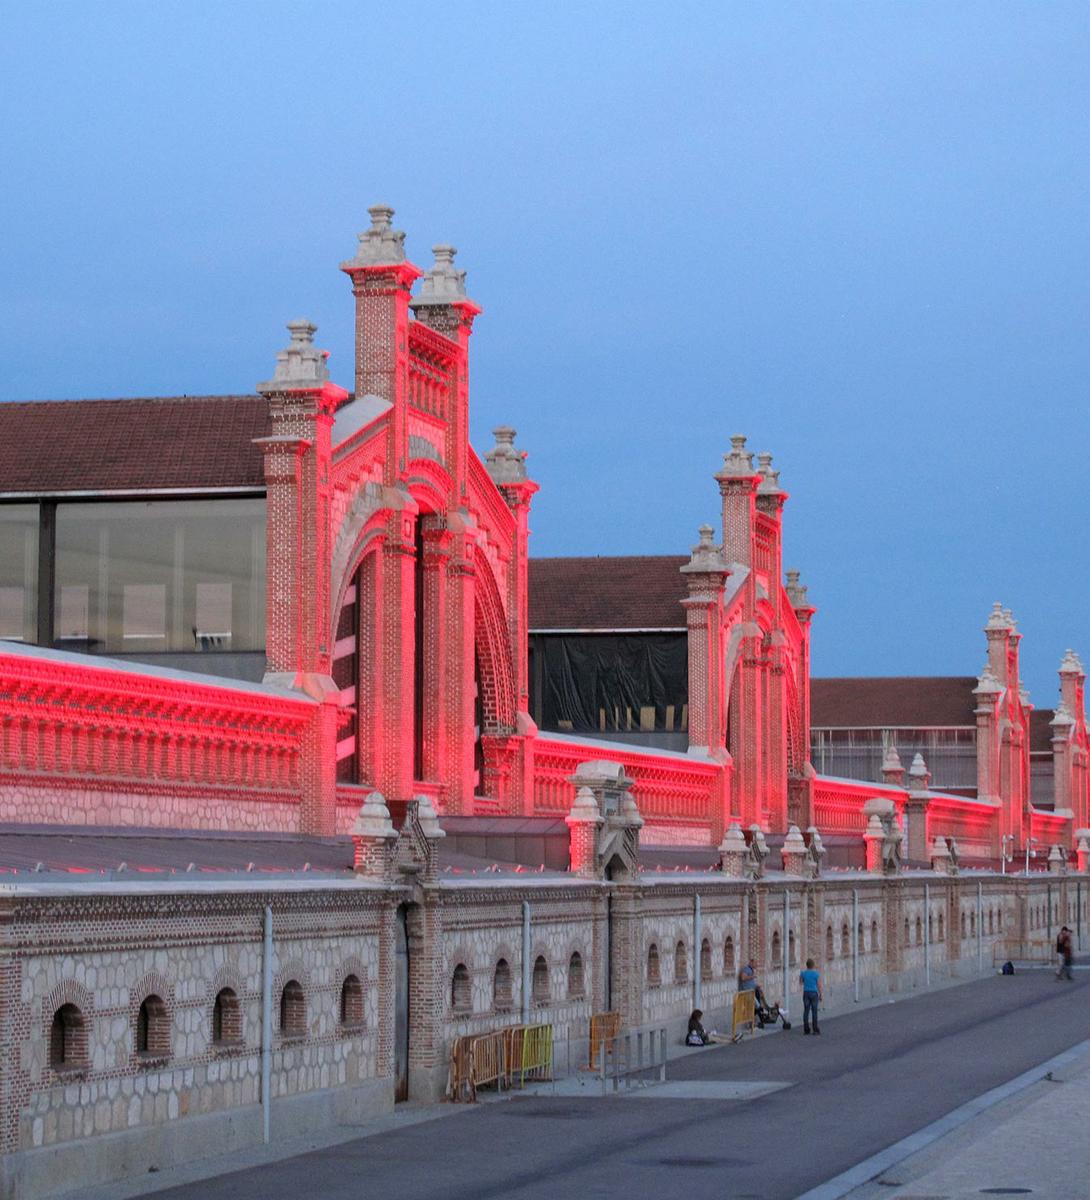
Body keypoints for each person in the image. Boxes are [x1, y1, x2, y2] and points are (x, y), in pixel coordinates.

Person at [799, 958, 822, 1035]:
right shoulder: (816, 974)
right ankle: (815, 1029)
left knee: (806, 1011)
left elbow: (801, 982)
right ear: (813, 965)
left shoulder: (803, 973)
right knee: (814, 1011)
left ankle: (806, 1029)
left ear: (807, 965)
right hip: (814, 993)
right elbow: (819, 985)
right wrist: (821, 994)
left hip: (806, 993)